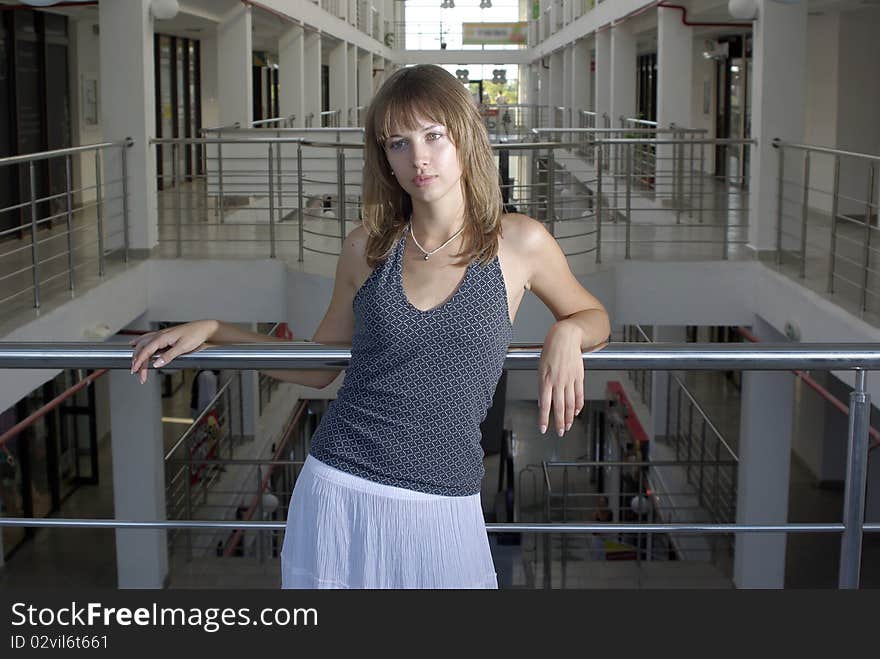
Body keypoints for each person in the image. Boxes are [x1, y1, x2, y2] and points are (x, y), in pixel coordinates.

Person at [129, 64, 610, 589]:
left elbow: (594, 317)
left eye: (433, 136)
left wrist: (567, 333)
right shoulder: (367, 247)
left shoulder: (519, 243)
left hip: (444, 499)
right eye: (398, 143)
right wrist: (217, 330)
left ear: (465, 139)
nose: (418, 158)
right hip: (338, 487)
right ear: (384, 158)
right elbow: (319, 366)